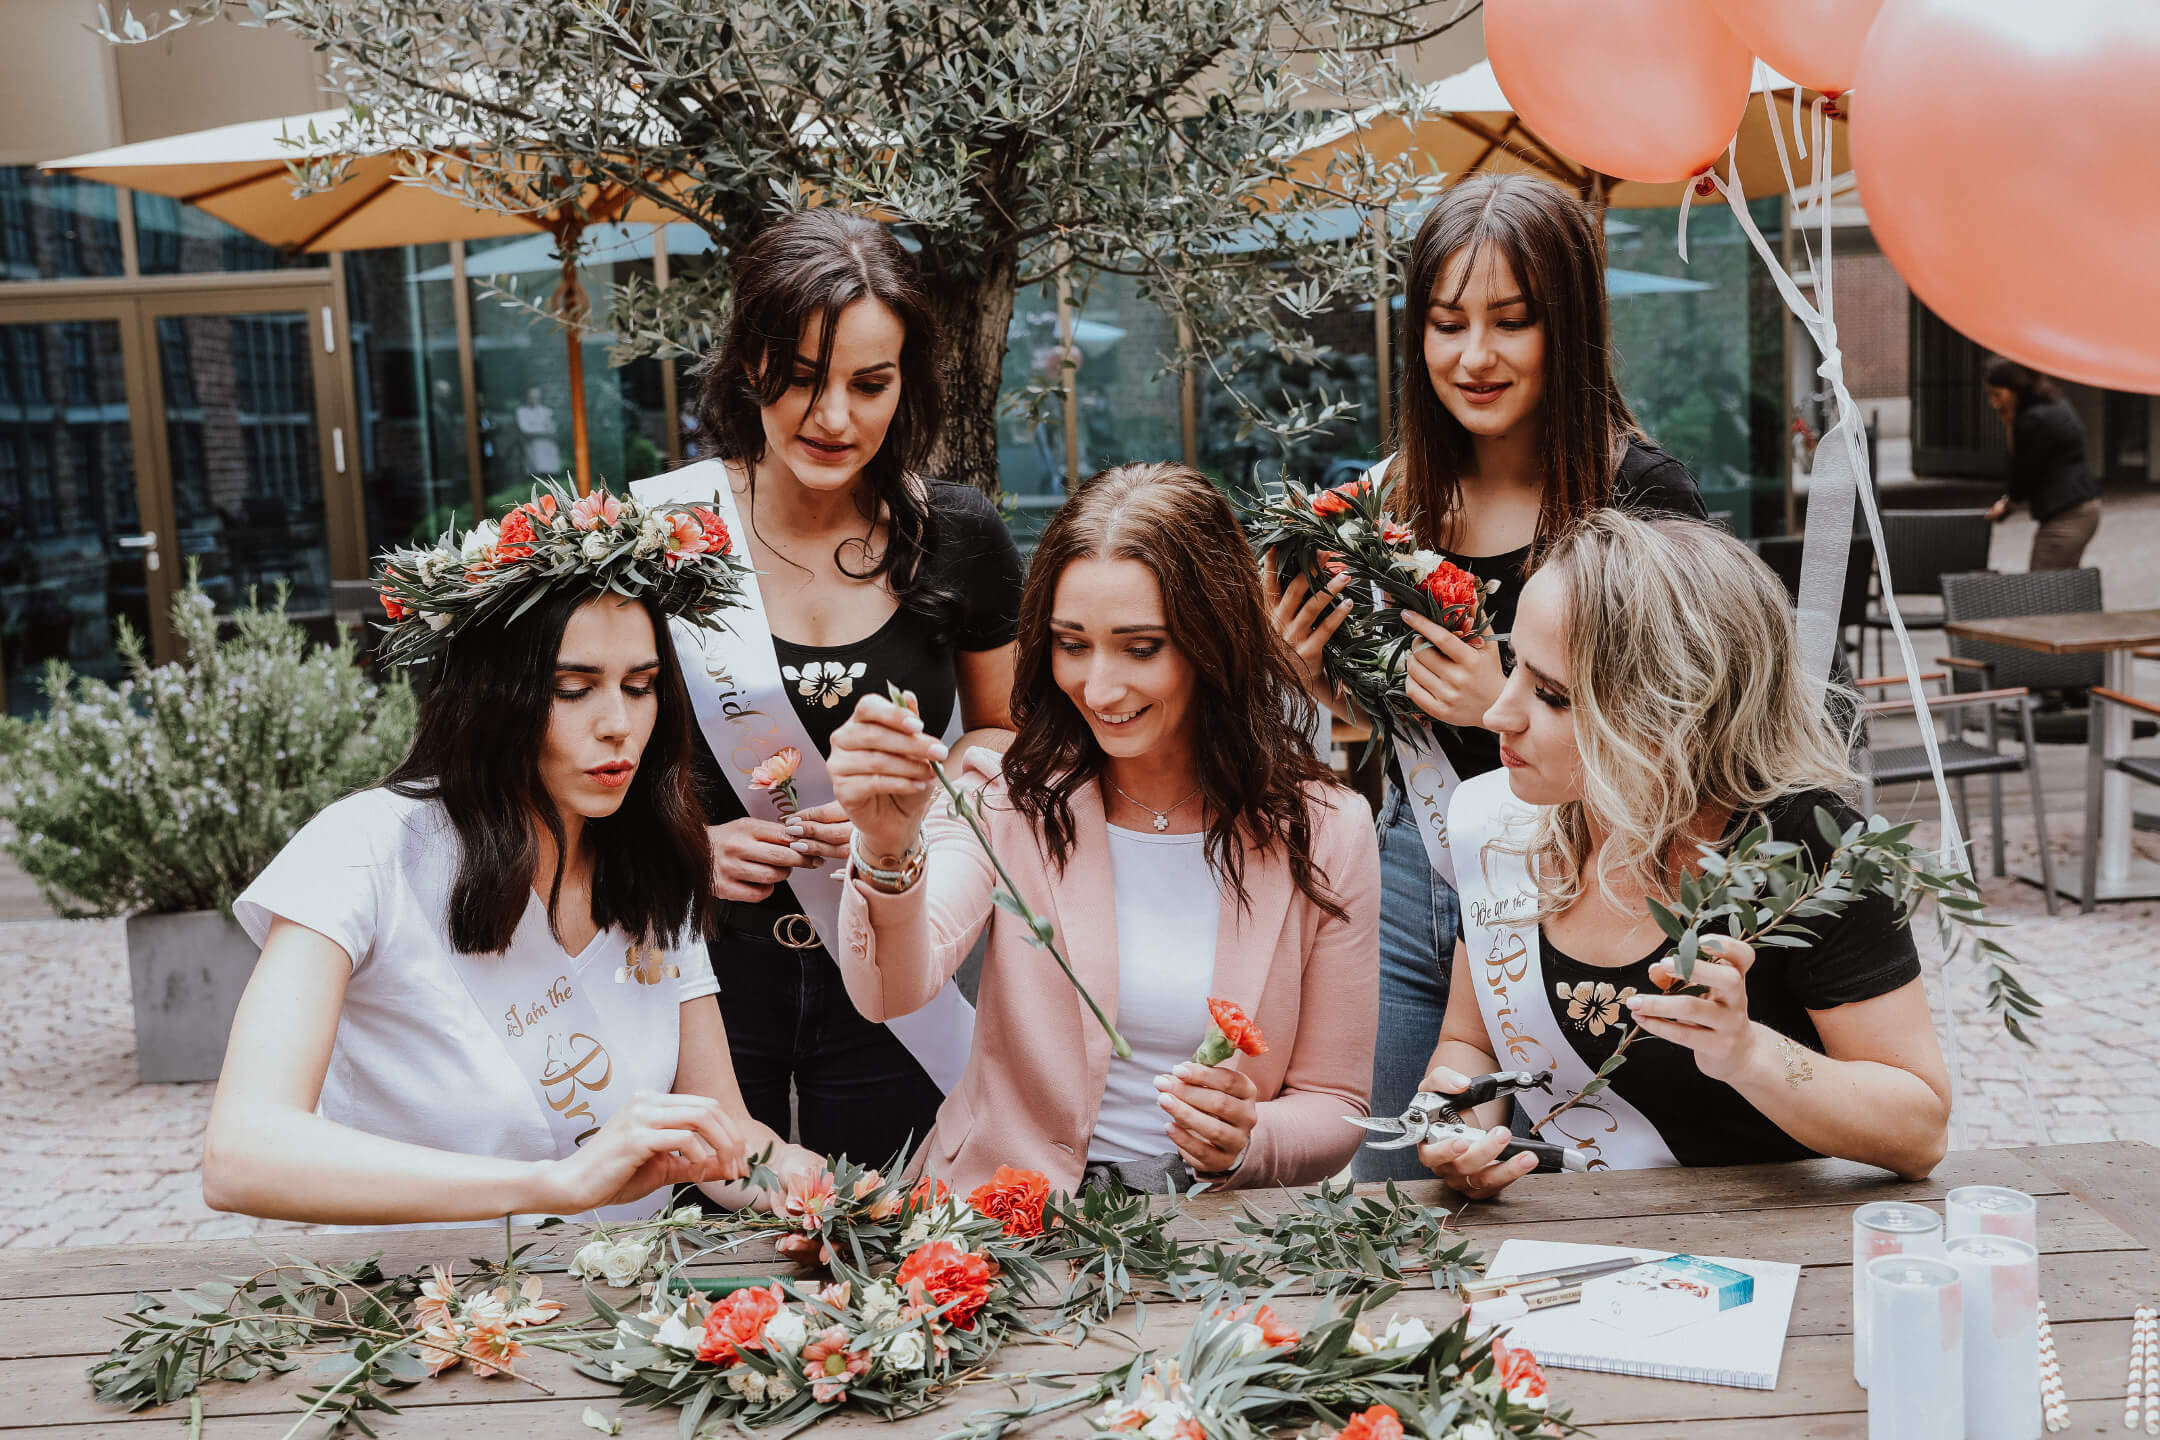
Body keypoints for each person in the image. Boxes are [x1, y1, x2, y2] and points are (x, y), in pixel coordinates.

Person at [207, 491, 821, 1228]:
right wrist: (557, 1185)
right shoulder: (364, 850)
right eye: (573, 689)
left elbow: (728, 1142)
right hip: (411, 1316)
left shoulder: (655, 866)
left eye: (642, 686)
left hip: (613, 1323)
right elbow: (242, 1155)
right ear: (493, 699)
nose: (619, 725)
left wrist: (809, 1184)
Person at [1266, 173, 1707, 1181]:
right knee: (1399, 1185)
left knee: (1575, 1197)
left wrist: (1505, 690)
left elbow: (1690, 729)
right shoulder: (1389, 501)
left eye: (1512, 322)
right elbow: (1392, 724)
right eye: (1445, 322)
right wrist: (1328, 688)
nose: (1474, 357)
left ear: (1573, 327)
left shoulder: (1640, 497)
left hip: (1580, 881)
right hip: (1414, 874)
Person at [826, 463, 1380, 1194]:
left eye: (1140, 646)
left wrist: (1249, 1139)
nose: (1100, 687)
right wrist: (887, 848)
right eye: (1072, 643)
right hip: (1003, 1224)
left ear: (1214, 639)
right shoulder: (1006, 792)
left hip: (1221, 1244)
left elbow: (1336, 1106)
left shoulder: (1327, 828)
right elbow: (887, 993)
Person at [631, 208, 1024, 1168]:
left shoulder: (960, 537)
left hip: (889, 967)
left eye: (869, 382)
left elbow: (1005, 736)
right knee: (700, 1277)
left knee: (902, 1261)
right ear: (746, 364)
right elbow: (583, 755)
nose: (834, 417)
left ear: (908, 383)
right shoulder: (660, 537)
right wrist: (682, 847)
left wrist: (916, 819)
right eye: (801, 378)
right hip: (695, 978)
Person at [1418, 511, 1950, 1196]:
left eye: (1552, 695)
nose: (1498, 712)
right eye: (1514, 662)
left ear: (1673, 715)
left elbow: (1920, 1130)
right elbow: (1474, 1043)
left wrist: (1750, 1053)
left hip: (1774, 1254)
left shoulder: (1808, 851)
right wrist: (1455, 1125)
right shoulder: (1504, 822)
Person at [1984, 357, 2101, 572]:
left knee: (2042, 589)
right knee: (2063, 587)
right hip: (2085, 508)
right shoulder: (2056, 404)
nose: (1994, 402)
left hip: (2065, 517)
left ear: (2015, 389)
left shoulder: (2030, 420)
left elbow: (2022, 474)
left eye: (1997, 394)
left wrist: (2010, 422)